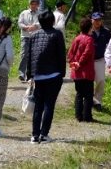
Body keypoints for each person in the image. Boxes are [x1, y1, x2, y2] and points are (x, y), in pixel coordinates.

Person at [26, 10, 65, 143]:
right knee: (49, 105)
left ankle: (34, 135)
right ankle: (44, 134)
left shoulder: (33, 35)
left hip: (38, 76)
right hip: (53, 75)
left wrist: (29, 74)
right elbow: (61, 55)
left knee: (38, 106)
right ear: (53, 21)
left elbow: (29, 56)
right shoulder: (57, 34)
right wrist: (62, 73)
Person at [67, 16, 96, 122]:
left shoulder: (77, 38)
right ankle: (87, 116)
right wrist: (80, 62)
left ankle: (78, 115)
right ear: (90, 28)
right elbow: (87, 53)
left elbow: (70, 53)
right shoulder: (89, 39)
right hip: (87, 71)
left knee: (79, 94)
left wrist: (73, 62)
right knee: (88, 95)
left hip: (77, 72)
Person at [89, 12, 111, 111]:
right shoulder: (87, 30)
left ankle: (97, 101)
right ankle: (88, 100)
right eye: (95, 20)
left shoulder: (106, 31)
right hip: (88, 60)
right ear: (92, 20)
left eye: (99, 20)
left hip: (100, 59)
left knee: (101, 80)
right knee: (88, 81)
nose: (97, 22)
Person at [17, 0, 41, 81]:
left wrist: (35, 26)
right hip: (25, 36)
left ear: (38, 5)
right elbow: (20, 23)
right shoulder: (24, 13)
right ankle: (21, 73)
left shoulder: (40, 14)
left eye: (35, 4)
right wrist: (26, 27)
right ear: (29, 4)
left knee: (33, 55)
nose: (33, 6)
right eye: (32, 4)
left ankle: (30, 74)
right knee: (24, 54)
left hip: (35, 36)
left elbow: (40, 23)